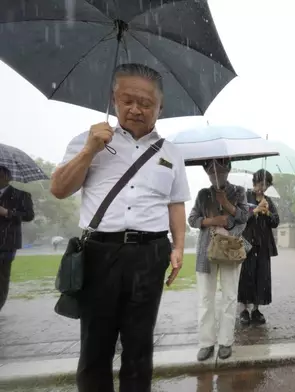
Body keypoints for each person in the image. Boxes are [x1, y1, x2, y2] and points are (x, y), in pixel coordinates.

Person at [50, 63, 190, 392]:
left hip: (150, 254)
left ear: (160, 107)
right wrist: (89, 150)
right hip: (100, 252)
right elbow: (58, 188)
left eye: (146, 103)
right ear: (113, 99)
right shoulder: (90, 141)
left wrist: (178, 247)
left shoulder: (171, 153)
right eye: (127, 100)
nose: (136, 109)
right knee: (95, 346)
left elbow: (176, 203)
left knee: (139, 347)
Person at [188, 158, 249, 362]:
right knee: (206, 297)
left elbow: (244, 218)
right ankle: (206, 343)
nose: (216, 174)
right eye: (212, 171)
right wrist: (211, 220)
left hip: (230, 250)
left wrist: (227, 205)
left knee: (230, 296)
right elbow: (192, 219)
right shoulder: (202, 194)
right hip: (206, 250)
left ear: (228, 169)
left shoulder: (239, 191)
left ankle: (226, 341)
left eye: (221, 171)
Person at [238, 169, 280, 325]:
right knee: (246, 277)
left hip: (263, 246)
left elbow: (276, 221)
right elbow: (239, 217)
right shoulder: (245, 197)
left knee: (261, 277)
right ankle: (244, 309)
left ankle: (256, 309)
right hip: (247, 245)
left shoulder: (268, 201)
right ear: (254, 182)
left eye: (266, 184)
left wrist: (267, 212)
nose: (262, 187)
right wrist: (255, 210)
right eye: (260, 184)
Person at [0, 166, 34, 312]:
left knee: (1, 279)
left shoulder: (21, 195)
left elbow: (29, 215)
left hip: (7, 243)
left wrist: (7, 212)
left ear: (8, 178)